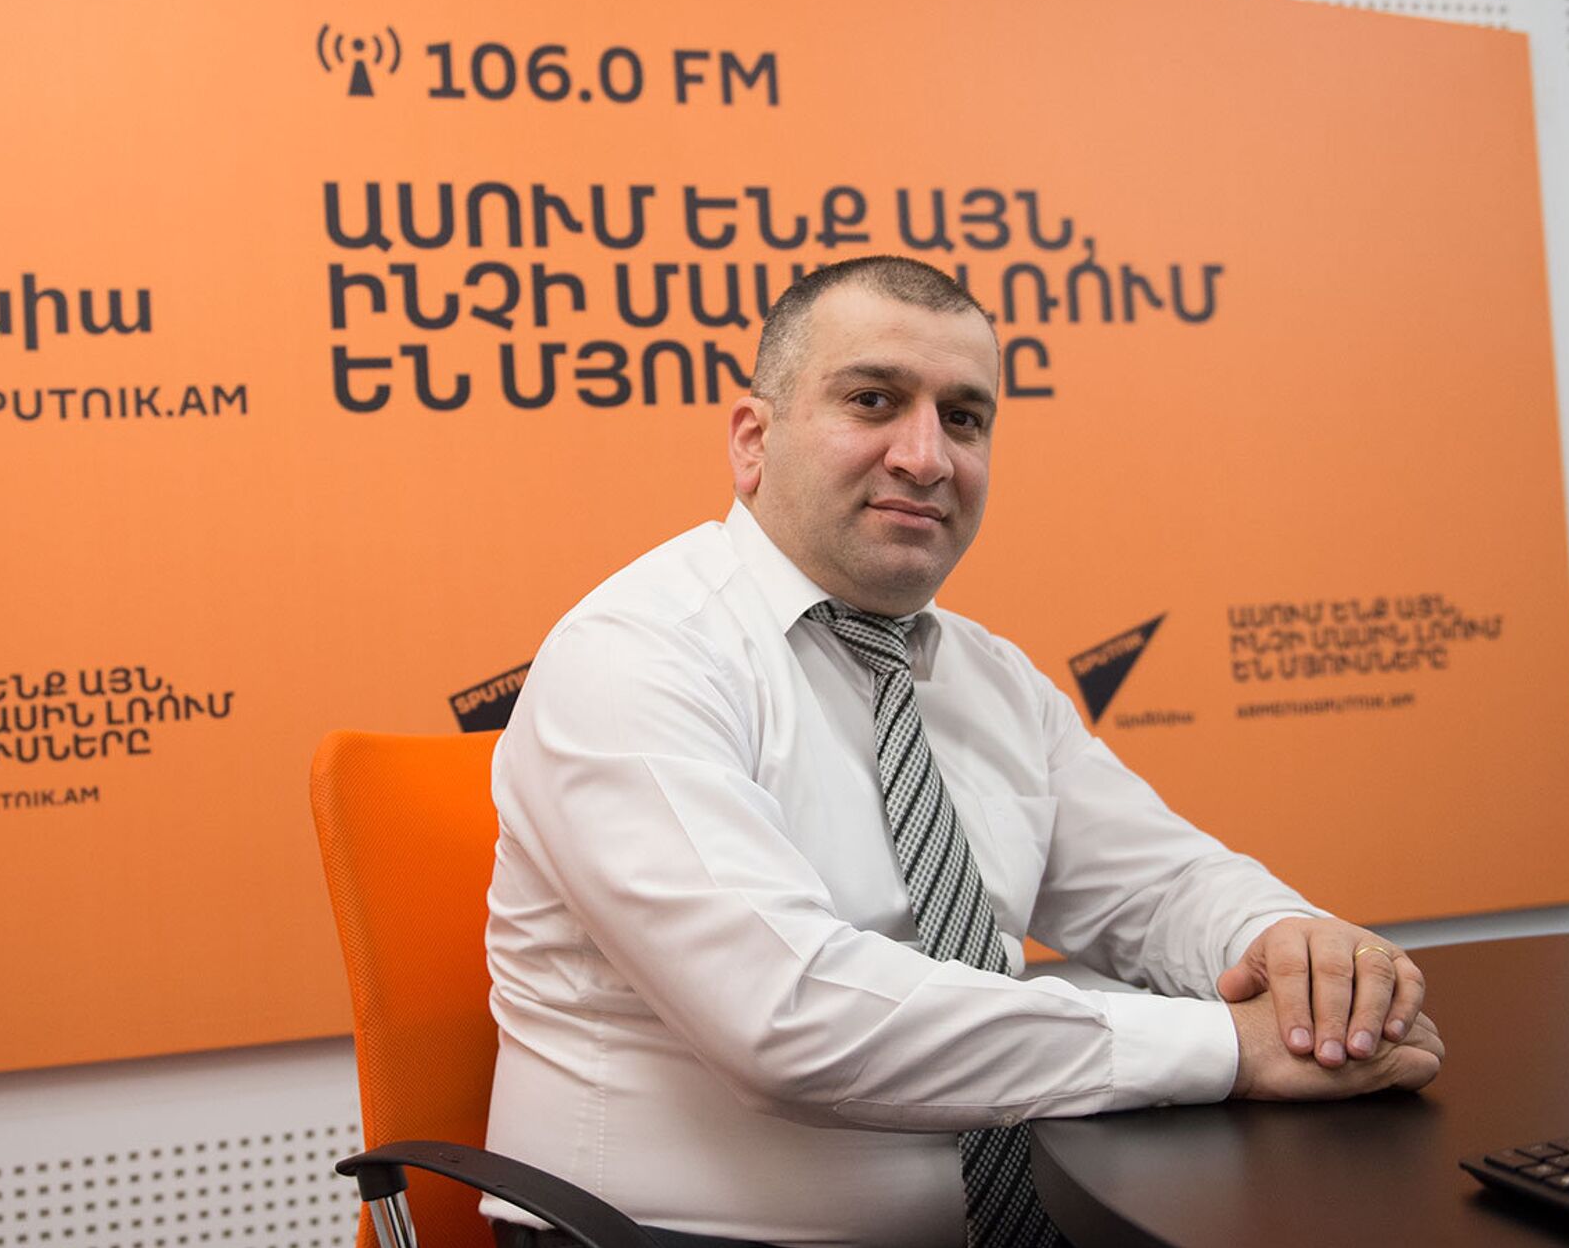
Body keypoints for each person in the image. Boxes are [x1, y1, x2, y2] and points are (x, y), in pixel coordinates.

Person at [482, 256, 1444, 1248]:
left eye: (964, 417)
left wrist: (1294, 951)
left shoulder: (991, 677)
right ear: (753, 439)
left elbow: (1160, 886)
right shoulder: (637, 655)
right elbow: (791, 1017)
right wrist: (1228, 1046)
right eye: (873, 399)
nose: (926, 456)